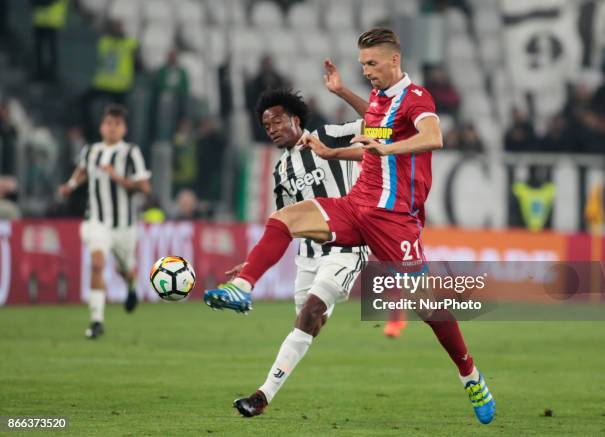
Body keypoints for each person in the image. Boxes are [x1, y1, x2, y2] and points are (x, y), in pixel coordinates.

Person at [203, 28, 495, 425]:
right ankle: (242, 287)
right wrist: (335, 143)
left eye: (372, 64)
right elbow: (373, 134)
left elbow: (434, 137)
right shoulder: (378, 100)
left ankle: (470, 375)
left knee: (427, 306)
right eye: (363, 65)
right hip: (357, 205)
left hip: (394, 219)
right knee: (285, 218)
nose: (367, 71)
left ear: (395, 60)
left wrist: (388, 148)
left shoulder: (417, 98)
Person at [221, 85, 369, 417]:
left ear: (296, 119)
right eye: (265, 126)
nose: (271, 129)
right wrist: (252, 262)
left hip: (347, 245)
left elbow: (375, 121)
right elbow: (284, 228)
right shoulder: (281, 172)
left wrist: (342, 90)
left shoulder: (329, 135)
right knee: (307, 319)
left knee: (312, 311)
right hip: (309, 256)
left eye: (275, 121)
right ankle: (316, 311)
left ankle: (262, 396)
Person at [58, 104, 151, 339]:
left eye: (117, 125)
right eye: (108, 123)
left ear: (124, 129)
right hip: (96, 221)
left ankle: (131, 286)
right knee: (97, 263)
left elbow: (144, 187)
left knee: (126, 270)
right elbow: (82, 171)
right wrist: (70, 185)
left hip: (123, 227)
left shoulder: (131, 153)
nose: (112, 128)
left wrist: (116, 176)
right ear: (101, 127)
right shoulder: (91, 151)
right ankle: (97, 320)